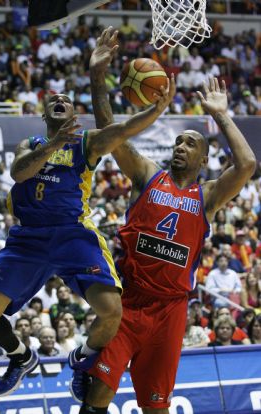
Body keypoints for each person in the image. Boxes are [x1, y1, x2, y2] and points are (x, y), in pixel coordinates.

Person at [72, 27, 256, 414]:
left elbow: (247, 164)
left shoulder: (207, 196)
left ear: (204, 159)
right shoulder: (147, 174)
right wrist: (97, 76)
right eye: (177, 141)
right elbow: (110, 132)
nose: (180, 146)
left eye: (190, 143)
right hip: (130, 301)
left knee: (156, 407)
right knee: (98, 395)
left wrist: (221, 116)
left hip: (171, 312)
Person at [0, 65, 169, 397]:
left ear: (74, 112)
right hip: (29, 239)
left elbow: (123, 131)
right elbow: (20, 173)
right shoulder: (30, 143)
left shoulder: (86, 143)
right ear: (47, 114)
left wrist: (157, 109)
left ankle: (82, 360)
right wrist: (51, 146)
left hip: (72, 234)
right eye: (54, 99)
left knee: (111, 312)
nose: (59, 100)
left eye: (66, 98)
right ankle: (20, 357)